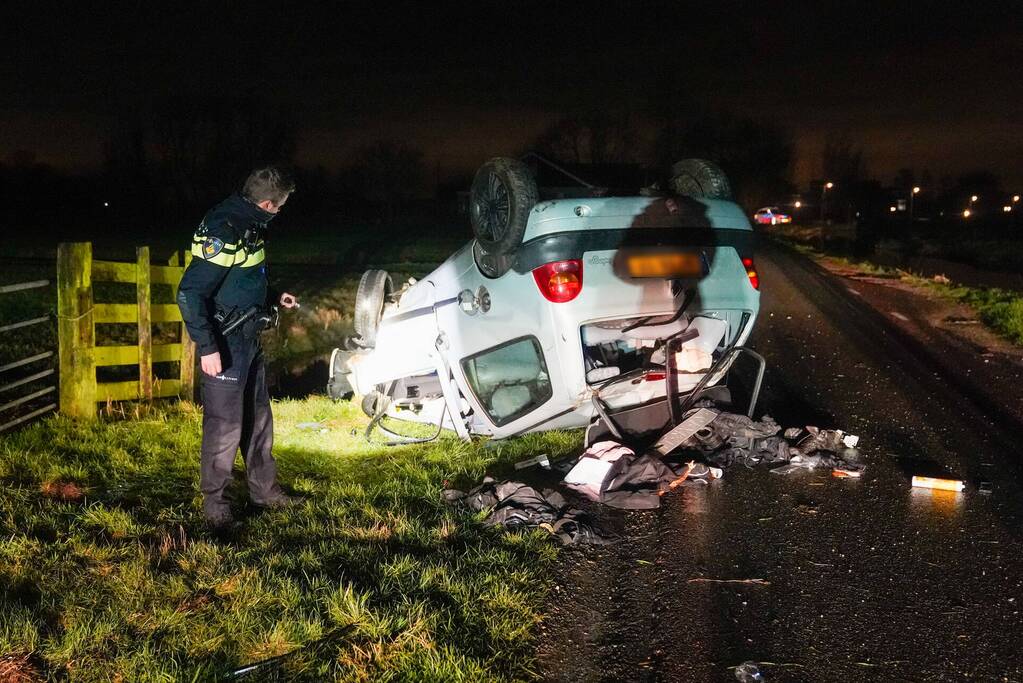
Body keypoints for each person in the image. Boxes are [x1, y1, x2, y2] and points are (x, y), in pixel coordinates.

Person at [177, 166, 301, 528]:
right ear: (266, 203)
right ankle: (216, 505)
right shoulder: (224, 228)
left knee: (258, 419)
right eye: (280, 206)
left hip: (249, 336)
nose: (280, 211)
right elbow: (189, 292)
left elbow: (244, 274)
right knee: (224, 426)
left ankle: (265, 492)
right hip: (225, 342)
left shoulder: (250, 223)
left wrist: (274, 293)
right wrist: (207, 347)